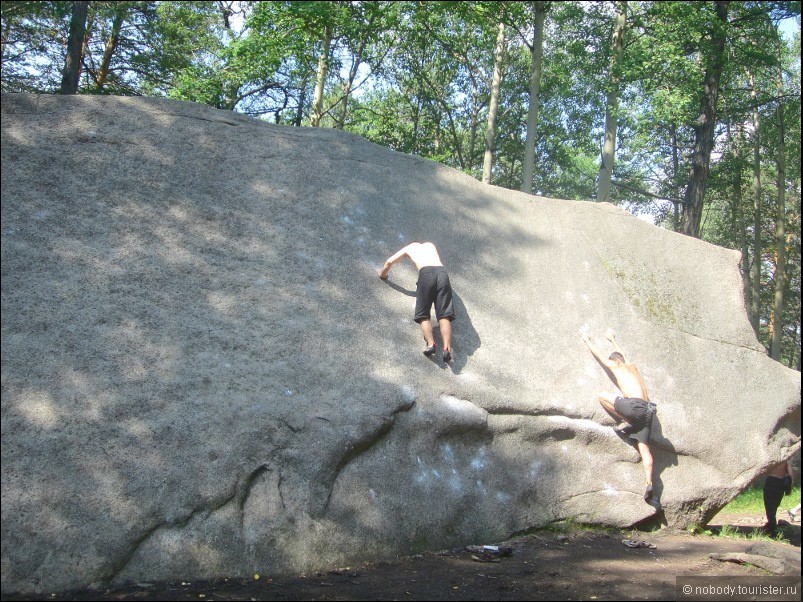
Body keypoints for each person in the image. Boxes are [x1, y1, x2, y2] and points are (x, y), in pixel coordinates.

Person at [580, 329, 657, 503]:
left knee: (602, 397)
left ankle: (626, 420)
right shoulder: (632, 366)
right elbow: (623, 355)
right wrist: (613, 340)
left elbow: (601, 357)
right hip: (648, 411)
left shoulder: (617, 365)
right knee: (645, 449)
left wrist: (587, 340)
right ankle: (649, 482)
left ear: (616, 361)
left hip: (634, 407)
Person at [378, 242, 455, 362]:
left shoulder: (409, 248)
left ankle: (431, 345)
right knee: (444, 315)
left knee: (423, 314)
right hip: (442, 274)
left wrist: (382, 274)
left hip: (426, 274)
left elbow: (389, 262)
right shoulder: (431, 245)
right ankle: (447, 348)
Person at [763, 460, 793, 534]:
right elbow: (791, 475)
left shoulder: (772, 457)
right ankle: (771, 524)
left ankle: (772, 527)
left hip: (771, 480)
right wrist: (789, 488)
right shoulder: (786, 459)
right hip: (781, 482)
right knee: (775, 504)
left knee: (769, 505)